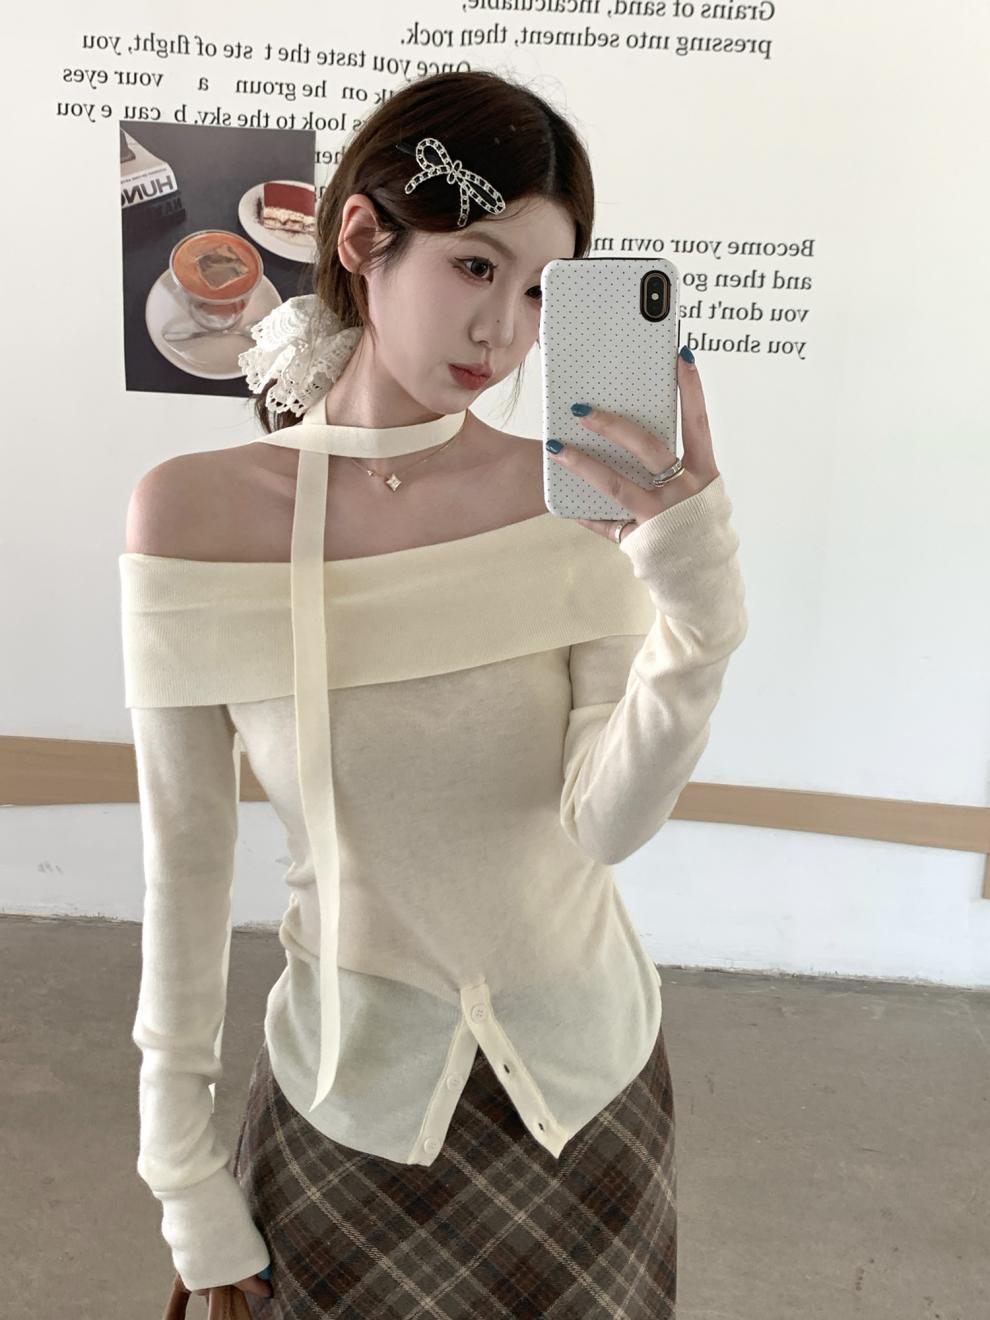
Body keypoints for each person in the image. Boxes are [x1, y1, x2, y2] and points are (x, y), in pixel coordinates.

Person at [121, 68, 746, 1318]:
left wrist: (702, 617)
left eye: (540, 290)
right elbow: (184, 866)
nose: (504, 334)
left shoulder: (576, 506)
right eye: (474, 266)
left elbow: (604, 825)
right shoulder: (196, 518)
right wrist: (181, 1175)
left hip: (589, 1104)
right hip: (347, 1108)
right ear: (363, 237)